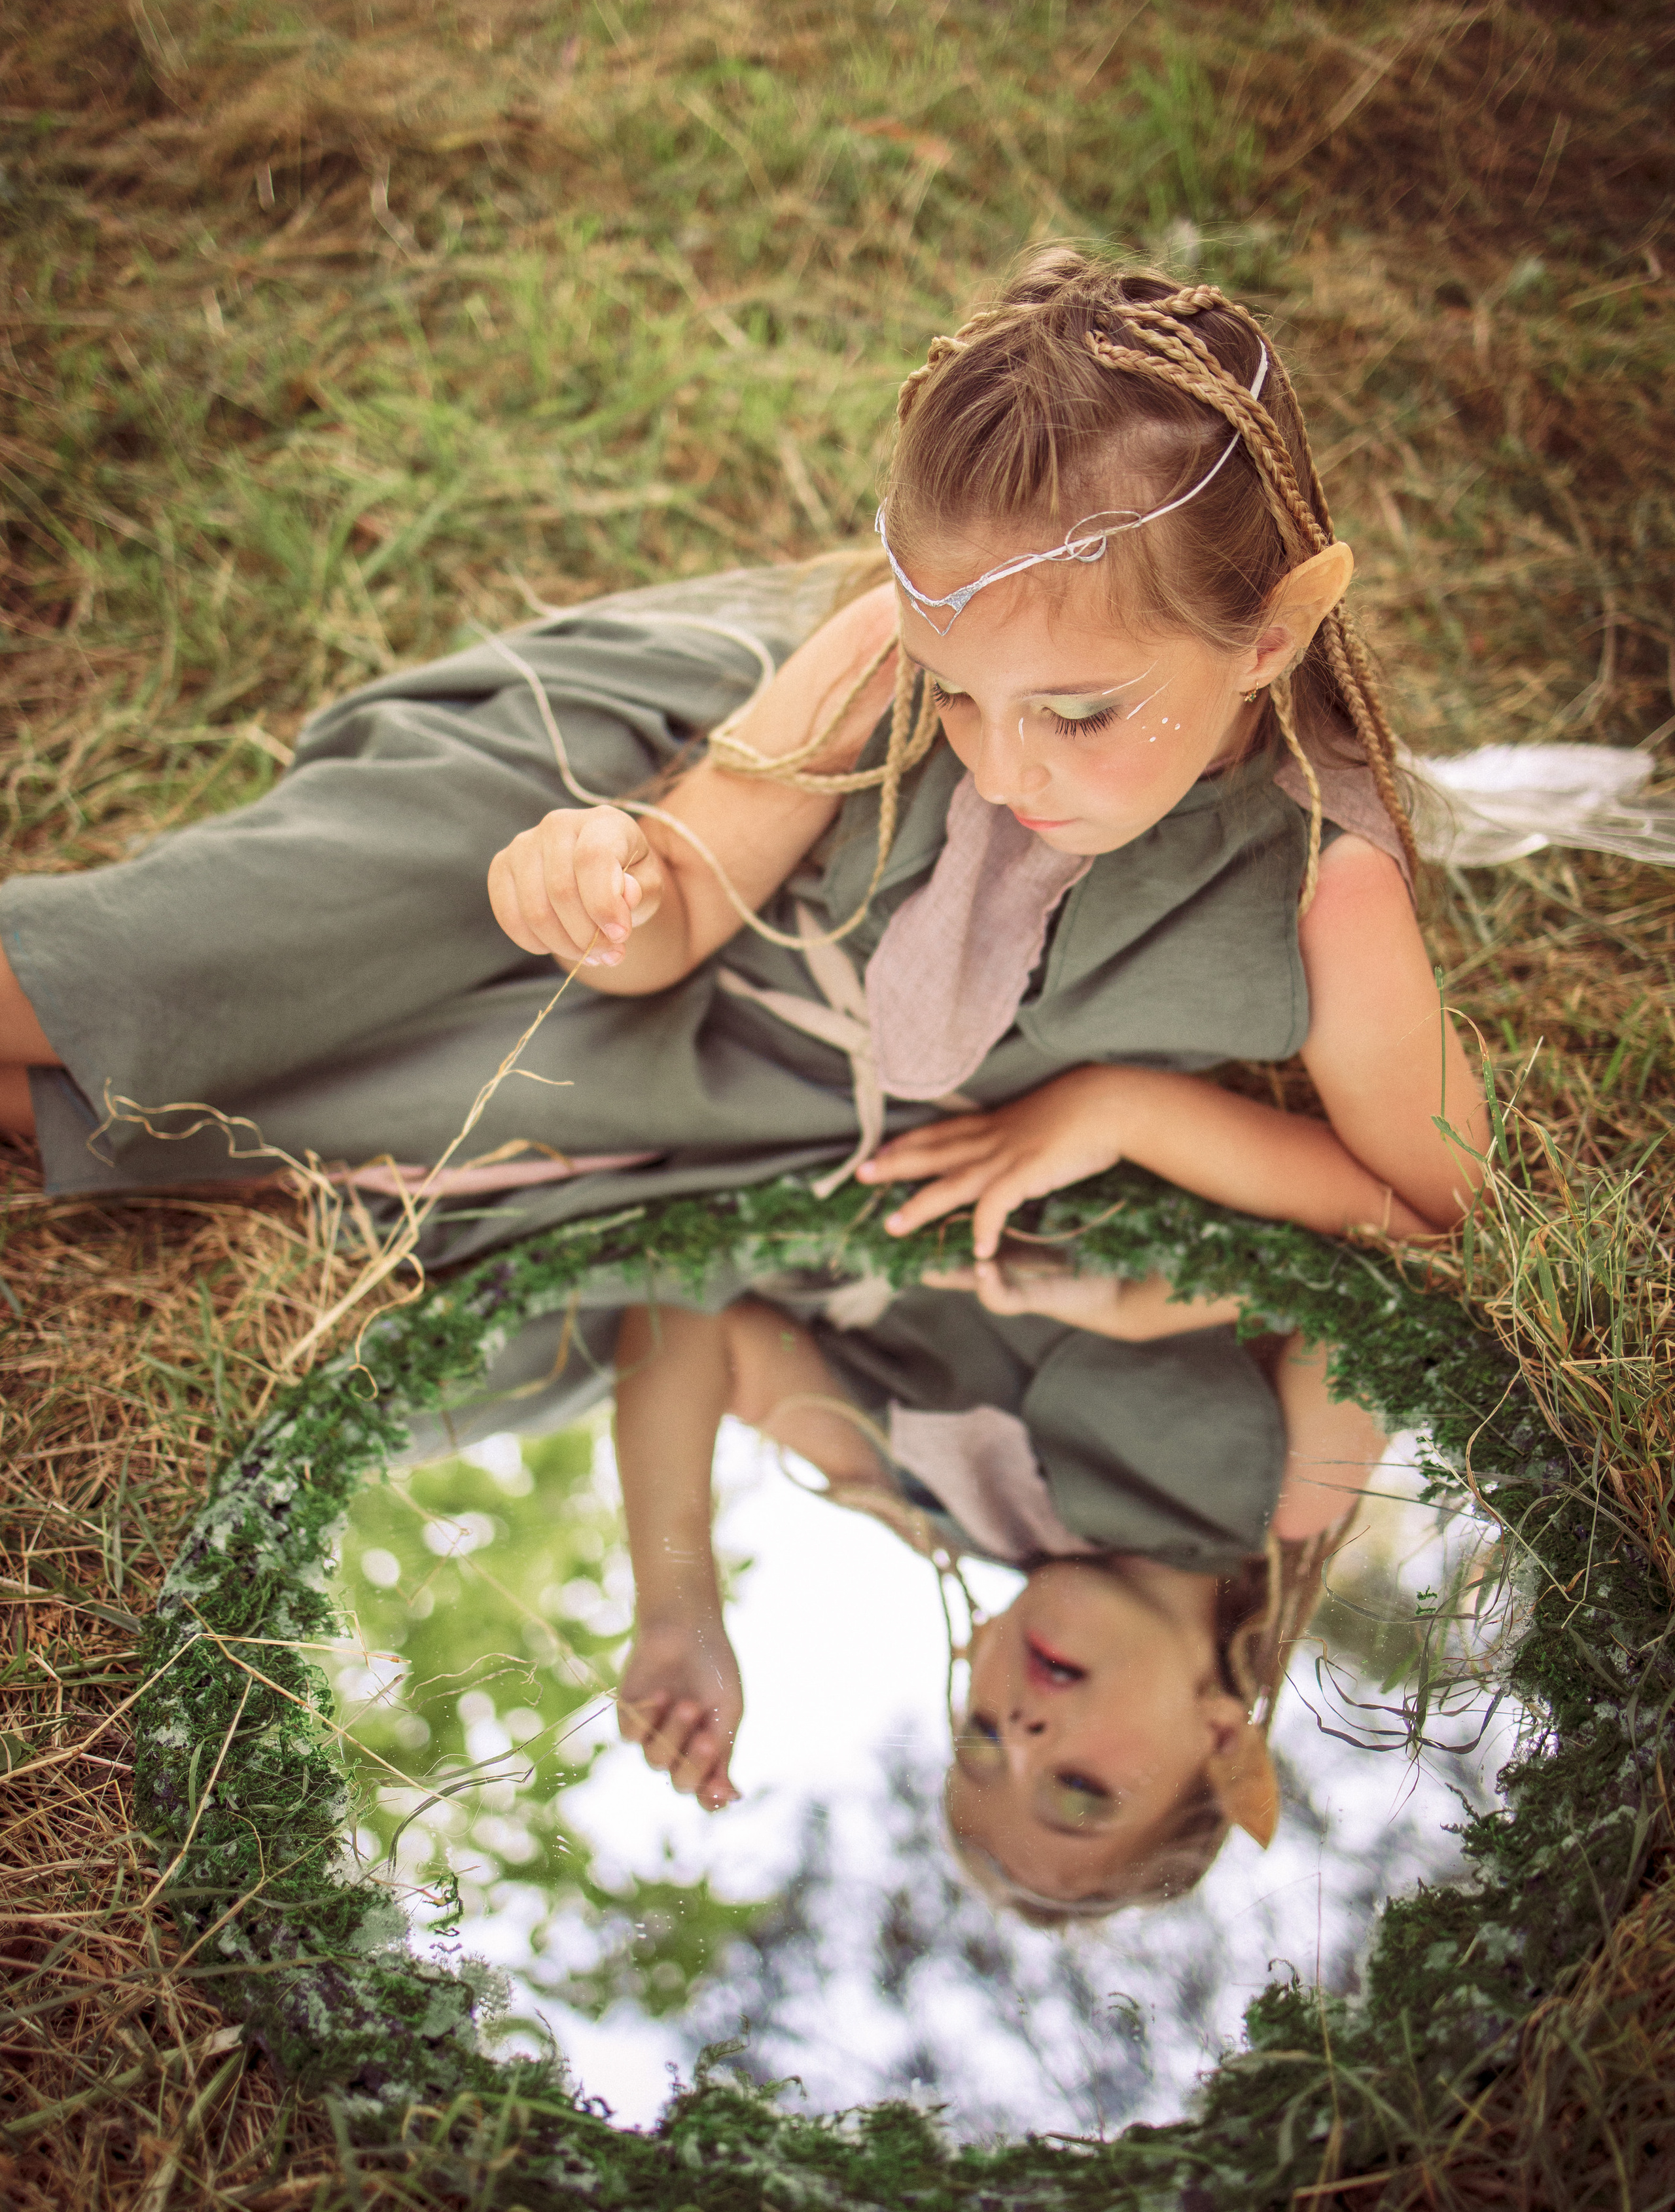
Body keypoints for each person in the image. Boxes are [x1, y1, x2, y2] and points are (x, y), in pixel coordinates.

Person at [0, 250, 1486, 1275]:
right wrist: (601, 880)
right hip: (617, 764)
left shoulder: (1321, 886)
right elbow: (680, 920)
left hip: (746, 1044)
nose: (998, 759)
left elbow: (1432, 1195)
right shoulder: (877, 657)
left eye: (1077, 710)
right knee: (244, 948)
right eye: (959, 692)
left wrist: (1127, 1111)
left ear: (1273, 629)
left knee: (328, 1111)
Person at [610, 1265, 1385, 1917]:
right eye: (1081, 1792)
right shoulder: (1293, 1491)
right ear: (1221, 1738)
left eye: (977, 1738)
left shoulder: (937, 1499)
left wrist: (679, 1605)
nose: (1018, 1734)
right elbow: (1379, 1263)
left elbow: (688, 1310)